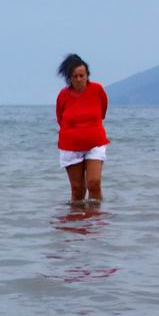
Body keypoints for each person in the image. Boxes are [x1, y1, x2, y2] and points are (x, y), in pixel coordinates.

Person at [56, 54, 110, 204]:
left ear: (87, 75)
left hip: (95, 143)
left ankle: (95, 221)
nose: (79, 79)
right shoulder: (63, 95)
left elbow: (102, 112)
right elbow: (61, 119)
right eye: (75, 76)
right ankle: (77, 222)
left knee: (94, 183)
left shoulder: (97, 90)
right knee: (78, 189)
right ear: (69, 78)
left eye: (82, 75)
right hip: (71, 146)